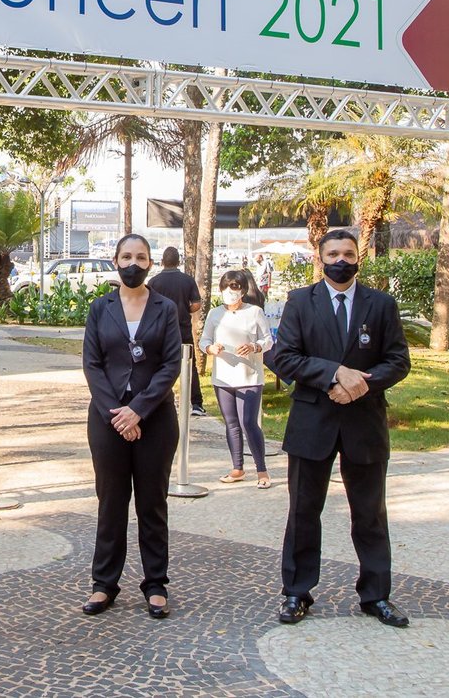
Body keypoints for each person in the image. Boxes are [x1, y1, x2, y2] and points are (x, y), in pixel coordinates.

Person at [265, 228, 409, 628]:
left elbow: (398, 361)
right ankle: (296, 592)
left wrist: (359, 384)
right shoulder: (300, 301)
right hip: (313, 422)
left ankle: (376, 595)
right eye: (333, 254)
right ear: (321, 258)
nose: (341, 261)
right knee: (303, 511)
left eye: (348, 253)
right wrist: (334, 374)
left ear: (358, 256)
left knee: (370, 513)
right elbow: (285, 358)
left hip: (365, 421)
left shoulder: (381, 304)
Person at [80, 234, 181, 620]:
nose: (133, 264)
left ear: (150, 263)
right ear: (115, 261)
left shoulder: (165, 308)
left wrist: (137, 410)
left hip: (155, 419)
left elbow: (170, 364)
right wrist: (118, 415)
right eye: (126, 257)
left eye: (140, 257)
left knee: (152, 503)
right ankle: (104, 583)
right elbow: (92, 364)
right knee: (111, 502)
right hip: (107, 420)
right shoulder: (100, 308)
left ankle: (155, 584)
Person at [200, 269, 273, 488]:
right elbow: (204, 341)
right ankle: (237, 467)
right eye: (226, 287)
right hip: (223, 377)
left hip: (249, 376)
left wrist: (254, 346)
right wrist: (211, 348)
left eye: (235, 287)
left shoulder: (255, 312)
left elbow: (268, 340)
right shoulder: (215, 314)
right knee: (231, 423)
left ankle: (262, 470)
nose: (230, 292)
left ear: (242, 290)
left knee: (248, 422)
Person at [146, 245, 205, 417]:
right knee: (190, 366)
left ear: (162, 262)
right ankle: (196, 403)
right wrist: (185, 309)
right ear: (179, 262)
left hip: (160, 331)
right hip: (183, 329)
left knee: (159, 366)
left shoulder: (154, 282)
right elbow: (196, 304)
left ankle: (158, 400)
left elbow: (148, 307)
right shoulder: (187, 280)